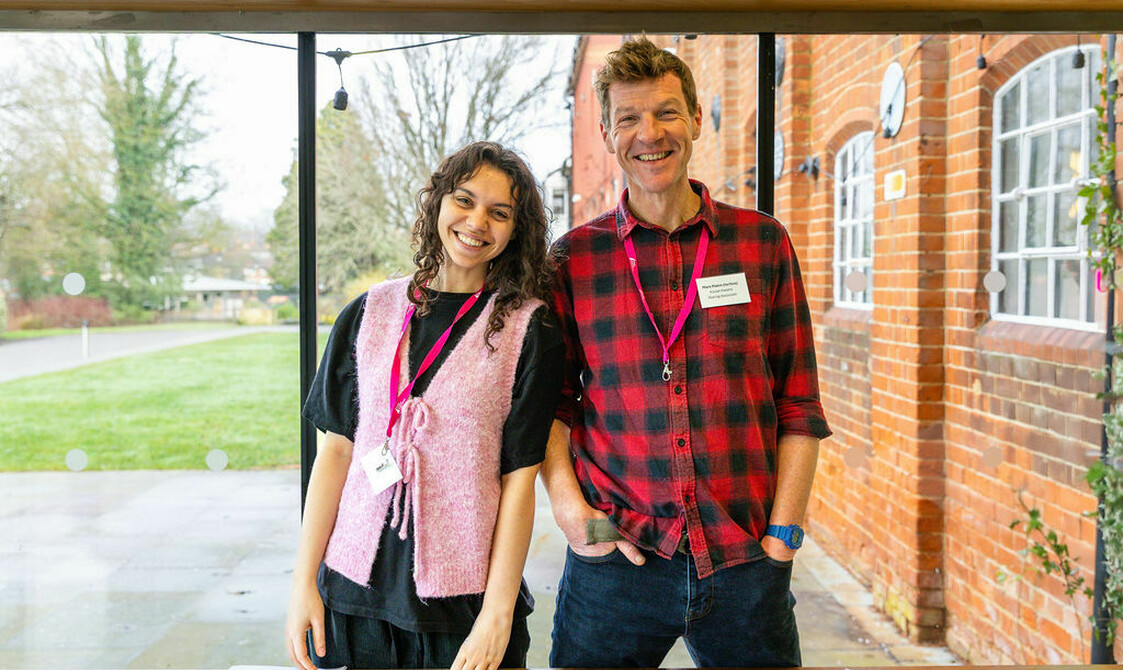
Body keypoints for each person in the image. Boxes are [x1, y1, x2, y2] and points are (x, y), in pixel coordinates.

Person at [543, 38, 832, 668]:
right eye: (628, 118)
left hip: (745, 557)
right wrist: (571, 514)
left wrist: (783, 533)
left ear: (696, 119)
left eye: (667, 112)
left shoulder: (763, 243)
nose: (650, 133)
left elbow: (799, 400)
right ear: (606, 131)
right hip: (618, 558)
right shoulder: (573, 260)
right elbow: (552, 407)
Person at [286, 141, 563, 670]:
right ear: (438, 203)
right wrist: (302, 584)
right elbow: (336, 456)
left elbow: (519, 482)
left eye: (499, 212)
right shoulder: (367, 313)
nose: (477, 220)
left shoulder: (530, 331)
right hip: (353, 596)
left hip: (461, 607)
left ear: (515, 231)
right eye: (464, 199)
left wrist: (497, 615)